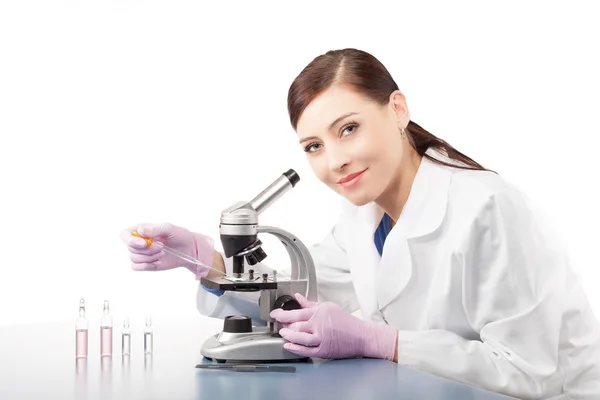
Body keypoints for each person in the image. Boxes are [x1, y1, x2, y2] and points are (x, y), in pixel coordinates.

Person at [120, 48, 600, 399]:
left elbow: (530, 374)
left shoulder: (488, 208)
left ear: (397, 110)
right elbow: (307, 296)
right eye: (314, 147)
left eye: (348, 129)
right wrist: (207, 261)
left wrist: (381, 341)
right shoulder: (363, 214)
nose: (336, 161)